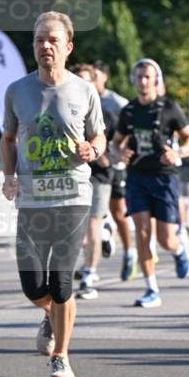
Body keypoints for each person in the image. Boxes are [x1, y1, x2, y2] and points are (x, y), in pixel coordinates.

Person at [0, 11, 106, 377]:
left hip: (73, 196)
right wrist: (9, 176)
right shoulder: (17, 91)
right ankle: (51, 314)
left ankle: (61, 356)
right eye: (39, 40)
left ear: (68, 47)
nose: (45, 46)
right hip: (31, 200)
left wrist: (93, 149)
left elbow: (99, 136)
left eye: (53, 40)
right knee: (33, 286)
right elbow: (8, 138)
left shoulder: (84, 90)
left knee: (61, 282)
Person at [113, 59, 189, 307]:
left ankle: (179, 249)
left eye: (147, 77)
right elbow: (116, 142)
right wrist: (119, 152)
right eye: (139, 77)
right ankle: (151, 289)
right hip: (137, 176)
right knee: (141, 232)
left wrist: (178, 153)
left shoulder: (169, 107)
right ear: (133, 80)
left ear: (156, 80)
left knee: (165, 239)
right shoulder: (128, 111)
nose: (143, 81)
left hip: (164, 176)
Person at [72, 64, 119, 299]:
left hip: (99, 177)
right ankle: (105, 231)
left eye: (86, 81)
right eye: (77, 80)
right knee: (76, 229)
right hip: (72, 176)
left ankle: (88, 277)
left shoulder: (106, 114)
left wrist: (107, 156)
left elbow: (120, 142)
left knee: (92, 225)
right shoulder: (64, 111)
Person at [92, 59, 135, 281]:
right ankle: (91, 265)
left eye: (95, 76)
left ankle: (129, 252)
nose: (91, 81)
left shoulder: (116, 102)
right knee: (91, 213)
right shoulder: (81, 97)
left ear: (104, 77)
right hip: (94, 162)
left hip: (115, 163)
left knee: (118, 211)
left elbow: (130, 127)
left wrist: (121, 151)